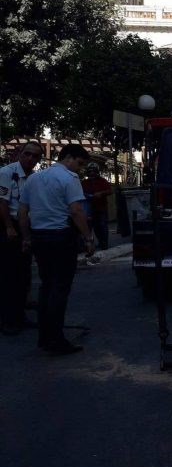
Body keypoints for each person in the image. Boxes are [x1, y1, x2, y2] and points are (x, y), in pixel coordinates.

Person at [18, 144, 95, 354]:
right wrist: (88, 238)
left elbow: (23, 212)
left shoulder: (34, 179)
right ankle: (56, 340)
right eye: (79, 163)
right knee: (59, 289)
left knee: (46, 286)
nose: (79, 169)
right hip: (60, 237)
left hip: (39, 237)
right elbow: (76, 211)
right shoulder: (70, 179)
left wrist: (26, 237)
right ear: (68, 157)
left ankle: (44, 337)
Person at [0, 141, 42, 334]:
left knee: (23, 274)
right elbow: (2, 203)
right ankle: (8, 320)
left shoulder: (33, 177)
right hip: (9, 226)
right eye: (27, 154)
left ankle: (19, 316)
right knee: (9, 275)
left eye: (35, 156)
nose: (31, 158)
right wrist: (9, 227)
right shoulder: (7, 173)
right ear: (20, 153)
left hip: (25, 227)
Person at [80, 162, 114, 250]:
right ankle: (87, 245)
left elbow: (110, 191)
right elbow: (79, 193)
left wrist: (101, 193)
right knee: (88, 227)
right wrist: (85, 195)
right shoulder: (84, 182)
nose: (92, 173)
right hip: (88, 209)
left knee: (102, 226)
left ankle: (104, 244)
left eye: (93, 171)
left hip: (101, 207)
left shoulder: (102, 181)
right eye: (90, 171)